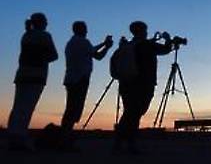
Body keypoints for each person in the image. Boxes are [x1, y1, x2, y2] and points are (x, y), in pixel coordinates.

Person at [114, 21, 173, 154]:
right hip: (143, 84)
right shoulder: (147, 45)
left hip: (126, 83)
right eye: (145, 30)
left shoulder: (128, 44)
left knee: (129, 112)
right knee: (135, 114)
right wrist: (168, 39)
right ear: (143, 31)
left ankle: (119, 142)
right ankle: (129, 144)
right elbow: (166, 49)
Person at [7, 13, 58, 152]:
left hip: (22, 75)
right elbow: (54, 55)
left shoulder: (26, 35)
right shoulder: (44, 36)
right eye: (46, 21)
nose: (47, 23)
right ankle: (19, 139)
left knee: (18, 107)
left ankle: (13, 136)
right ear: (41, 22)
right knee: (27, 108)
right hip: (36, 76)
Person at [59, 21, 113, 150]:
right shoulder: (82, 42)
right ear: (81, 30)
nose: (87, 31)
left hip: (72, 79)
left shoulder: (73, 43)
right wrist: (107, 47)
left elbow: (91, 50)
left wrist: (104, 44)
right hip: (79, 80)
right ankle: (64, 140)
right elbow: (98, 56)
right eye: (85, 29)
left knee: (71, 109)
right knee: (73, 110)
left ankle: (64, 138)